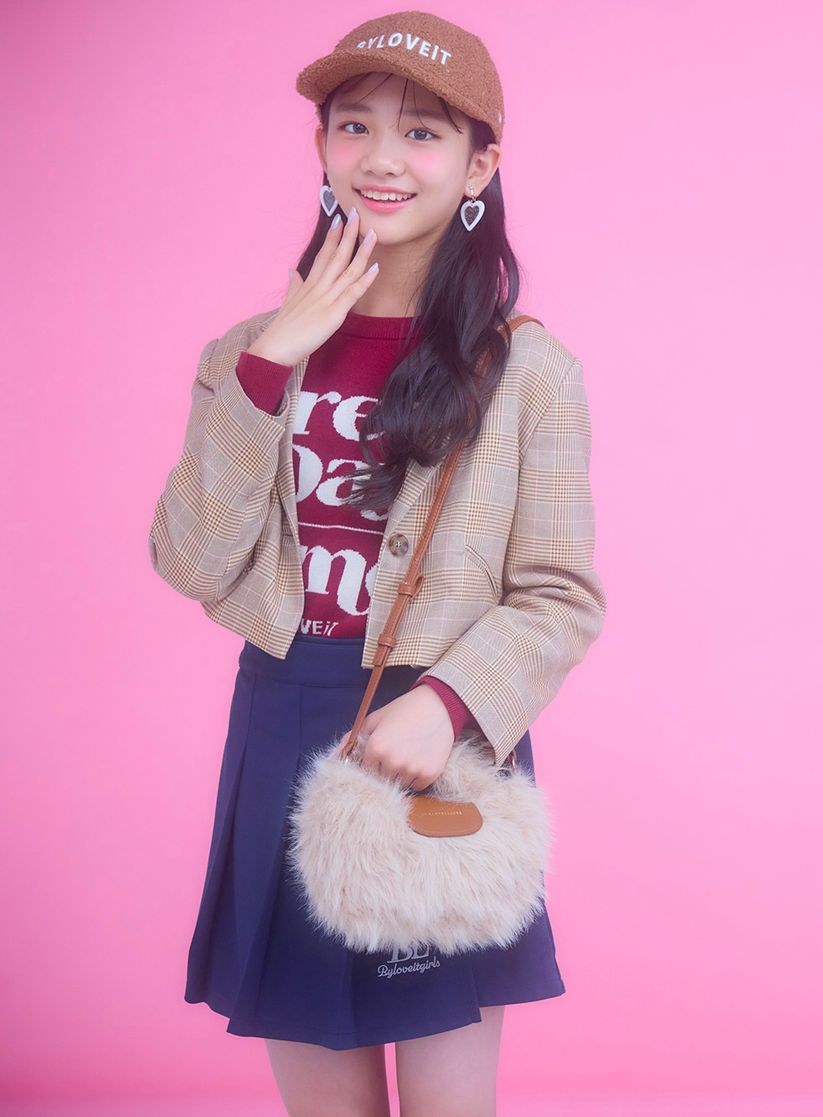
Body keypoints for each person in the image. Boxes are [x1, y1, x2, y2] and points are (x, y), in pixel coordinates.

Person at [146, 11, 606, 1116]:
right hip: (285, 730)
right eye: (354, 126)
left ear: (480, 164)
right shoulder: (244, 353)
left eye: (424, 133)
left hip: (441, 744)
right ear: (321, 147)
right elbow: (191, 559)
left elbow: (559, 595)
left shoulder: (527, 370)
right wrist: (272, 362)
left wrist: (445, 705)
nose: (383, 159)